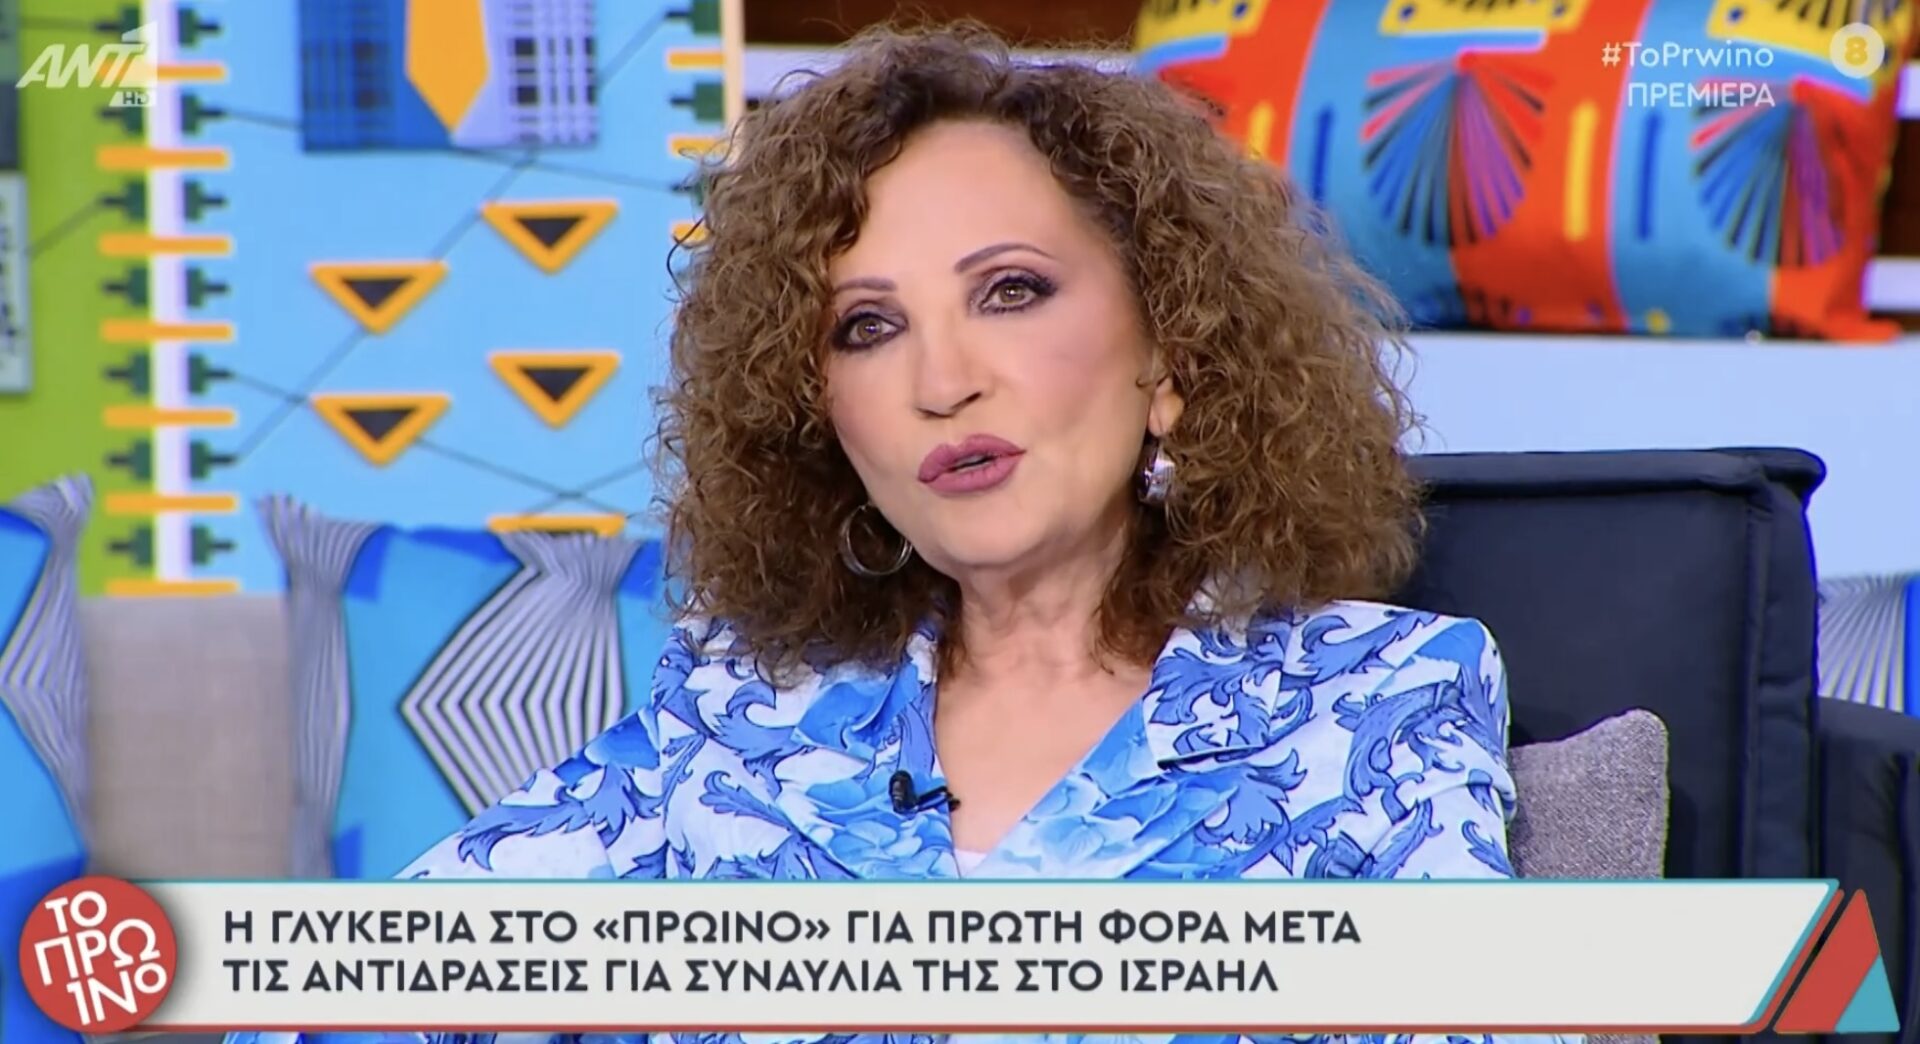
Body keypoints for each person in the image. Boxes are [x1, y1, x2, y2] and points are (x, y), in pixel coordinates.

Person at [230, 21, 1578, 1044]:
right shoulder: (738, 718)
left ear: (1169, 355)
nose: (941, 380)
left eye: (1010, 292)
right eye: (867, 328)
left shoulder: (1378, 698)